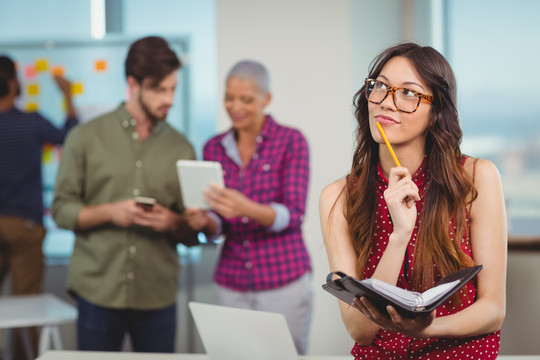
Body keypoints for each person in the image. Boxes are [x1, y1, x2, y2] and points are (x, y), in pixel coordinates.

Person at [319, 42, 507, 359]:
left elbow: (493, 310)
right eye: (379, 86)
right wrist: (398, 236)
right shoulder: (337, 197)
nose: (386, 102)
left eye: (408, 93)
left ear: (436, 110)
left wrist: (424, 328)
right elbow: (359, 330)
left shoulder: (476, 178)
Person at [51, 36, 199, 353]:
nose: (168, 99)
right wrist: (110, 212)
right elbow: (61, 209)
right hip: (98, 291)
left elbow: (192, 232)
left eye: (173, 88)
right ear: (133, 83)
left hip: (157, 292)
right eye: (159, 89)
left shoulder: (182, 147)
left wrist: (174, 222)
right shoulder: (85, 137)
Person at [185, 60, 313, 354]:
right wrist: (204, 222)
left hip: (284, 280)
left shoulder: (291, 141)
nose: (235, 106)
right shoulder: (213, 147)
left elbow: (293, 214)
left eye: (246, 99)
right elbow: (219, 223)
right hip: (231, 281)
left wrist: (246, 207)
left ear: (266, 100)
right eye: (229, 98)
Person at [0, 54, 78, 360]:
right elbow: (71, 138)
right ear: (12, 83)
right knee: (26, 309)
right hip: (25, 226)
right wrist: (68, 96)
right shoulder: (30, 122)